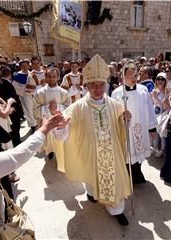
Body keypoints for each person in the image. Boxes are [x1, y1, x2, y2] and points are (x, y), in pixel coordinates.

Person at [54, 54, 132, 225]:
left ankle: (117, 210)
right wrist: (61, 125)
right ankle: (91, 192)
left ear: (106, 84)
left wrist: (126, 119)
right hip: (90, 151)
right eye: (93, 85)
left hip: (113, 154)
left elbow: (123, 128)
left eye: (101, 84)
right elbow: (63, 132)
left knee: (115, 181)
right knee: (91, 175)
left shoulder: (115, 104)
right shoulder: (77, 107)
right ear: (86, 85)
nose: (98, 88)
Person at [112, 60, 157, 184]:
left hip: (140, 128)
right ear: (123, 76)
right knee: (127, 154)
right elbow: (113, 112)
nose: (133, 78)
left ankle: (137, 173)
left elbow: (149, 109)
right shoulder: (117, 93)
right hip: (126, 128)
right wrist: (121, 116)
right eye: (130, 75)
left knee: (140, 153)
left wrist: (152, 128)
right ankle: (127, 176)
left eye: (135, 75)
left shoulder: (143, 90)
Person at [33, 67, 71, 169]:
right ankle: (50, 152)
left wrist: (57, 107)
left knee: (60, 143)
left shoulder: (63, 92)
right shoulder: (40, 93)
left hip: (59, 124)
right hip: (46, 123)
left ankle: (59, 156)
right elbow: (35, 110)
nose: (52, 79)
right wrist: (47, 108)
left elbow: (69, 108)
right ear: (45, 77)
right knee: (48, 142)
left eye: (54, 76)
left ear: (58, 77)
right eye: (49, 76)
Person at [12, 59, 37, 133]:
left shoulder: (32, 73)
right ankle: (33, 125)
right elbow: (15, 87)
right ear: (20, 67)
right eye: (23, 66)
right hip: (25, 96)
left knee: (35, 109)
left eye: (26, 65)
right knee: (28, 110)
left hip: (35, 95)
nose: (25, 67)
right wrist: (26, 89)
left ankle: (37, 123)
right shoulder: (17, 75)